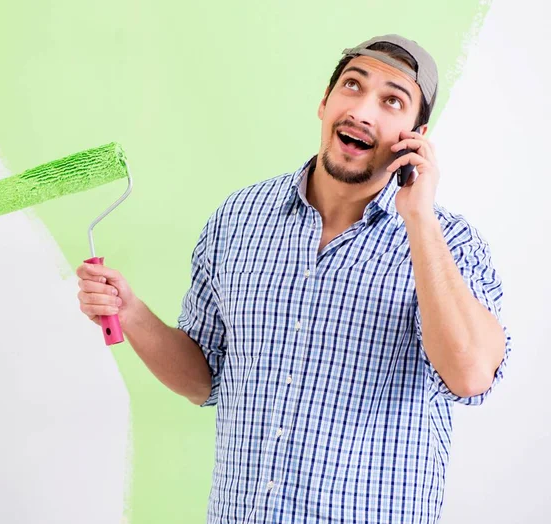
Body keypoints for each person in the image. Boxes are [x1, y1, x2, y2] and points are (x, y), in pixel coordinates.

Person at [76, 34, 512, 524]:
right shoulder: (239, 218)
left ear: (416, 135)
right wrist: (130, 310)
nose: (363, 111)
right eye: (353, 85)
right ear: (325, 104)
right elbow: (203, 380)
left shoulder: (448, 242)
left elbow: (472, 375)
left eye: (392, 100)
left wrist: (420, 220)